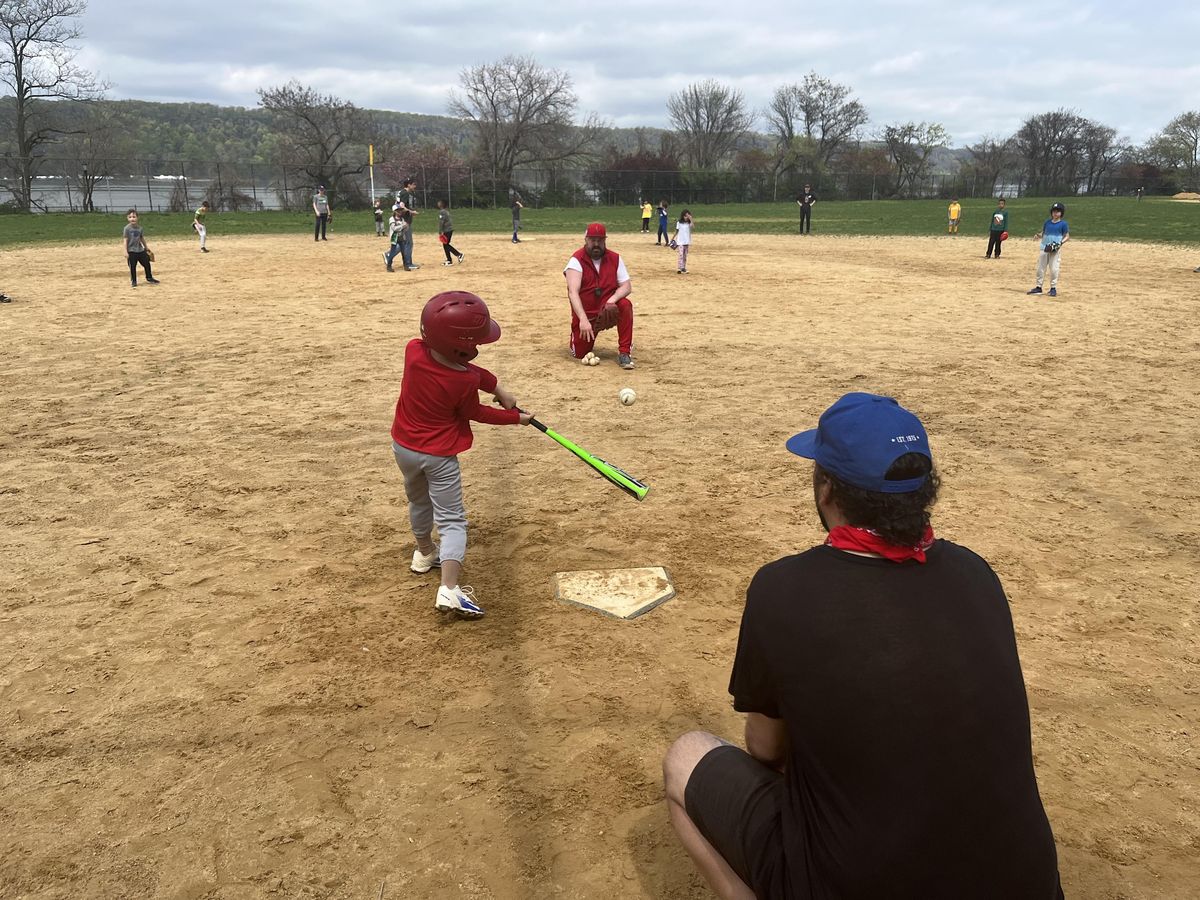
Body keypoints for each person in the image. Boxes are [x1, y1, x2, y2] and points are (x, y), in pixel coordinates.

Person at [663, 392, 1064, 900]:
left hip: (852, 881)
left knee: (687, 755)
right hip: (1025, 885)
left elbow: (765, 748)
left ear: (827, 490)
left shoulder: (784, 589)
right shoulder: (976, 572)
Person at [390, 291, 533, 619]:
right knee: (452, 520)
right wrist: (516, 418)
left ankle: (424, 553)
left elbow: (470, 370)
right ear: (463, 347)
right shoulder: (463, 382)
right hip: (439, 456)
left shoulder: (413, 350)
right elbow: (477, 412)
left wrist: (497, 388)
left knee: (419, 502)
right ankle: (450, 589)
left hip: (404, 448)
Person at [563, 222, 635, 369]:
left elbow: (626, 286)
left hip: (608, 310)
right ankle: (578, 336)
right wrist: (583, 319)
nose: (596, 244)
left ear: (605, 240)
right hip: (587, 315)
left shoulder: (615, 258)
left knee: (625, 304)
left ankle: (624, 352)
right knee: (580, 353)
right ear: (586, 239)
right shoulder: (576, 260)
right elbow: (573, 293)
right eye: (592, 240)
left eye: (600, 240)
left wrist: (611, 301)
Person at [1028, 202, 1070, 297]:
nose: (1055, 213)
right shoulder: (1047, 222)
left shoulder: (1063, 224)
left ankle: (1053, 288)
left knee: (1054, 269)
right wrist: (1038, 235)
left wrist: (1060, 243)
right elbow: (1043, 233)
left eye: (1058, 211)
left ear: (1061, 213)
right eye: (1054, 211)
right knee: (1040, 268)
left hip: (1055, 250)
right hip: (1044, 248)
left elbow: (1067, 236)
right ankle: (1038, 287)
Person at [122, 209, 159, 287]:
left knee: (147, 263)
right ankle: (134, 281)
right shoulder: (127, 229)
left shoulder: (140, 228)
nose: (132, 219)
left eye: (134, 217)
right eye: (130, 217)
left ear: (137, 218)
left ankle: (149, 277)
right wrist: (125, 251)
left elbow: (141, 238)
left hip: (140, 250)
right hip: (131, 251)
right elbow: (125, 240)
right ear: (127, 218)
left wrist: (146, 247)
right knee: (132, 266)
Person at [394, 178, 421, 270]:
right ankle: (408, 263)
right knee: (408, 242)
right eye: (413, 184)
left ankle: (389, 254)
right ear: (408, 185)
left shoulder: (401, 192)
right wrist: (411, 212)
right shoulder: (405, 193)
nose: (415, 186)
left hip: (401, 219)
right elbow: (402, 206)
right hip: (404, 220)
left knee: (404, 242)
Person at [436, 199, 465, 266]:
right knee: (445, 244)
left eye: (439, 202)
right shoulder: (446, 211)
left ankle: (458, 255)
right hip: (449, 229)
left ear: (442, 204)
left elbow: (441, 222)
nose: (438, 204)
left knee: (446, 245)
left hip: (447, 230)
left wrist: (440, 231)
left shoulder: (442, 212)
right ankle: (449, 260)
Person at [383, 208, 407, 272]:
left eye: (401, 210)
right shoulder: (392, 219)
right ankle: (389, 266)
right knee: (392, 252)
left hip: (401, 236)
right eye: (398, 211)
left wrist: (405, 227)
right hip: (394, 237)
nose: (400, 212)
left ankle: (405, 265)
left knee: (403, 252)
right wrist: (403, 226)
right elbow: (394, 228)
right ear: (395, 211)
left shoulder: (402, 219)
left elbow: (404, 228)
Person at [671, 209, 694, 274]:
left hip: (686, 241)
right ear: (682, 216)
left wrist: (691, 219)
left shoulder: (689, 223)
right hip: (680, 241)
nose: (686, 217)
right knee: (681, 254)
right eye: (685, 216)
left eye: (687, 216)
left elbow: (692, 226)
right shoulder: (679, 223)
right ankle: (679, 268)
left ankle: (683, 267)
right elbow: (676, 231)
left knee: (685, 255)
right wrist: (672, 238)